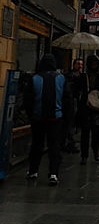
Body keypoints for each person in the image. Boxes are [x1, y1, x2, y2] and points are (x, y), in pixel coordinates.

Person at [24, 54, 70, 185]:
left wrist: (31, 114)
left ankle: (33, 170)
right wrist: (65, 118)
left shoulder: (35, 78)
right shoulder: (61, 78)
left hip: (38, 118)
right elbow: (67, 99)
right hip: (56, 118)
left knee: (37, 144)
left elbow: (28, 100)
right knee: (54, 146)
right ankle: (54, 173)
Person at [78, 54, 99, 163]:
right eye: (93, 63)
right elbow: (77, 90)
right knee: (85, 133)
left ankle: (95, 152)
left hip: (96, 107)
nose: (94, 65)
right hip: (86, 106)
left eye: (96, 63)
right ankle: (84, 155)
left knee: (96, 133)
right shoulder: (83, 76)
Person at [61, 57, 84, 153]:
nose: (80, 66)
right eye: (78, 64)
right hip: (70, 102)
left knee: (73, 123)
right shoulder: (69, 75)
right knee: (70, 123)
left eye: (81, 64)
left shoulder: (82, 76)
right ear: (74, 64)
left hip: (78, 102)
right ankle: (69, 143)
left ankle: (69, 142)